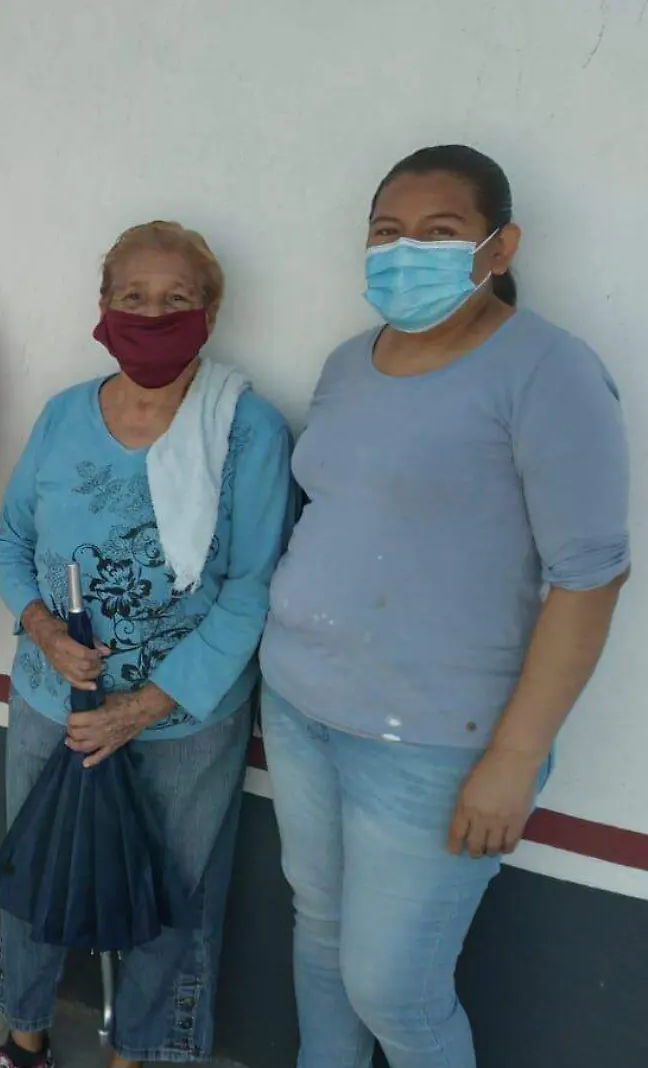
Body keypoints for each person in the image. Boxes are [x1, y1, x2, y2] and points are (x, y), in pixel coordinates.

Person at [260, 146, 630, 1068]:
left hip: (432, 741)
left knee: (397, 988)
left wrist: (515, 759)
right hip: (303, 706)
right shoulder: (349, 363)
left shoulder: (547, 370)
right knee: (319, 932)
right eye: (388, 232)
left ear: (498, 248)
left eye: (439, 233)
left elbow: (589, 577)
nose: (405, 251)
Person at [0, 223, 294, 1068]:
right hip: (54, 704)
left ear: (211, 312)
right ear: (103, 310)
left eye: (176, 299)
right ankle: (23, 1036)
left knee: (175, 899)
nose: (152, 314)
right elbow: (9, 541)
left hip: (185, 722)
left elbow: (253, 586)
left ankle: (142, 1055)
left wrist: (144, 706)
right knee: (38, 875)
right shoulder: (62, 415)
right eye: (133, 297)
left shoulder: (248, 431)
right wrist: (43, 628)